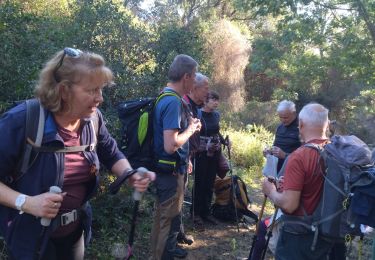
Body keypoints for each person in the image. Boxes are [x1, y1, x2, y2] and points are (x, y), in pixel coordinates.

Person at [0, 48, 155, 260]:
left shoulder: (92, 120)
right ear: (63, 90)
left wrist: (129, 173)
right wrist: (27, 203)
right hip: (30, 238)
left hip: (75, 234)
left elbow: (110, 151)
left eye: (101, 89)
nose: (100, 98)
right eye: (92, 90)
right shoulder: (22, 121)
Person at [262, 103, 334, 260]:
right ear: (327, 124)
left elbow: (289, 204)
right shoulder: (335, 150)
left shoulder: (300, 156)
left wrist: (271, 191)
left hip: (300, 235)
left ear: (300, 124)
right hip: (330, 234)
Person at [149, 54, 201, 260]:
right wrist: (191, 129)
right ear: (186, 77)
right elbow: (170, 144)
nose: (195, 81)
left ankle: (159, 255)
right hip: (169, 173)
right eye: (195, 76)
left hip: (168, 169)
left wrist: (185, 157)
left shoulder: (164, 95)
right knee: (166, 221)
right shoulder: (172, 102)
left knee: (164, 218)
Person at [177, 72, 209, 245]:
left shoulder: (195, 106)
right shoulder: (182, 104)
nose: (208, 92)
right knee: (175, 200)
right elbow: (177, 136)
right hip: (177, 160)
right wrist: (186, 156)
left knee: (180, 198)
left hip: (187, 157)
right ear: (194, 88)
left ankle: (179, 233)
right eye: (206, 88)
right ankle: (174, 239)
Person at [193, 90, 225, 227]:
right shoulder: (198, 114)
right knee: (200, 183)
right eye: (213, 100)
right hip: (201, 153)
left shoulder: (216, 115)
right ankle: (196, 213)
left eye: (217, 100)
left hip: (214, 152)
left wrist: (224, 141)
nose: (216, 102)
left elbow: (216, 131)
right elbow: (194, 133)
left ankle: (206, 212)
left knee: (210, 182)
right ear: (206, 101)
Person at [265, 100, 301, 172]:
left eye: (285, 117)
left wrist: (285, 155)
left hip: (293, 170)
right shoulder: (280, 127)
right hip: (277, 170)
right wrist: (269, 152)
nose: (283, 120)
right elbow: (275, 146)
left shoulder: (302, 128)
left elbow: (305, 157)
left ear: (293, 113)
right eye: (280, 117)